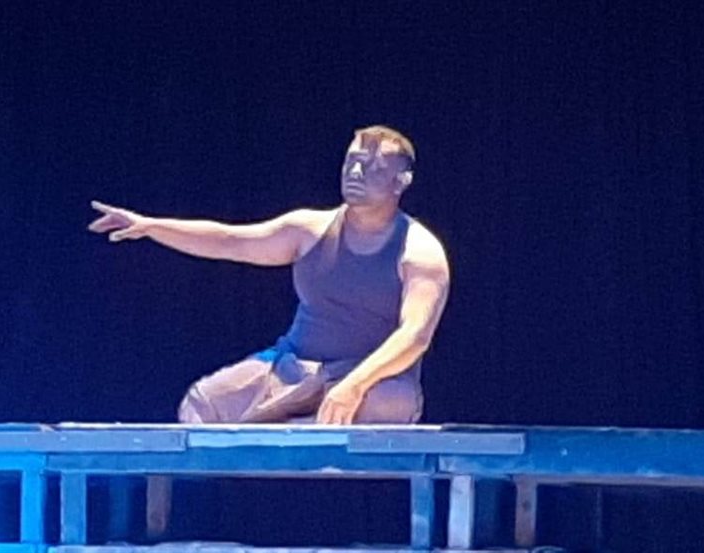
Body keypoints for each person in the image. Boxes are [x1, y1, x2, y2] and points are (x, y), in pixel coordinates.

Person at [88, 125, 451, 537]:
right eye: (352, 161)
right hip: (294, 368)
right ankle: (170, 526)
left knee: (390, 403)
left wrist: (354, 385)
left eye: (372, 167)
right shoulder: (310, 229)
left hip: (371, 382)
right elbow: (231, 241)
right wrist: (151, 225)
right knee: (204, 403)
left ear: (401, 181)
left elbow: (414, 336)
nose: (356, 172)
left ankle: (291, 427)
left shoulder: (420, 251)